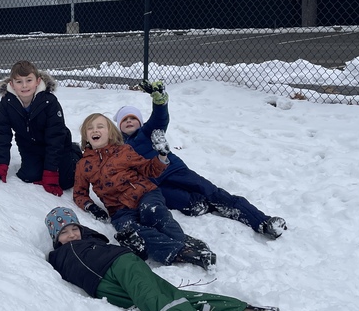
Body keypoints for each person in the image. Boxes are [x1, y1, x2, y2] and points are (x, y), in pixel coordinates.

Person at [44, 207, 283, 311]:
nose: (72, 234)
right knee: (175, 298)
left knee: (152, 298)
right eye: (64, 232)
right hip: (105, 287)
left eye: (74, 228)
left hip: (120, 265)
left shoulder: (89, 244)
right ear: (55, 237)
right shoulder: (57, 256)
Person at [115, 80, 286, 239]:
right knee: (180, 200)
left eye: (133, 118)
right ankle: (204, 205)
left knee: (210, 190)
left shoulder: (147, 132)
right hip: (156, 184)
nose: (129, 121)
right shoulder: (119, 149)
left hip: (174, 170)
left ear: (140, 122)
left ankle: (262, 221)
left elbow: (160, 118)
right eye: (125, 120)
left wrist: (160, 103)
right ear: (119, 127)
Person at [73, 112, 217, 269]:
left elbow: (149, 169)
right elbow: (79, 193)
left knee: (152, 212)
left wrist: (162, 156)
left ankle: (180, 239)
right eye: (90, 128)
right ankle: (182, 250)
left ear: (110, 132)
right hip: (119, 209)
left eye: (100, 127)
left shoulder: (124, 151)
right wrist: (90, 206)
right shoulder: (83, 165)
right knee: (131, 232)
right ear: (85, 136)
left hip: (145, 194)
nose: (95, 130)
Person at [0, 60, 82, 196]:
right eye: (19, 81)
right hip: (30, 148)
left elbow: (56, 136)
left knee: (65, 182)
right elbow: (2, 134)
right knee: (28, 176)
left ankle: (74, 153)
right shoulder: (7, 103)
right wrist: (1, 164)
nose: (24, 85)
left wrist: (51, 171)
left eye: (29, 80)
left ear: (38, 81)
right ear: (11, 84)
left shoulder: (49, 101)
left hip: (58, 146)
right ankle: (41, 164)